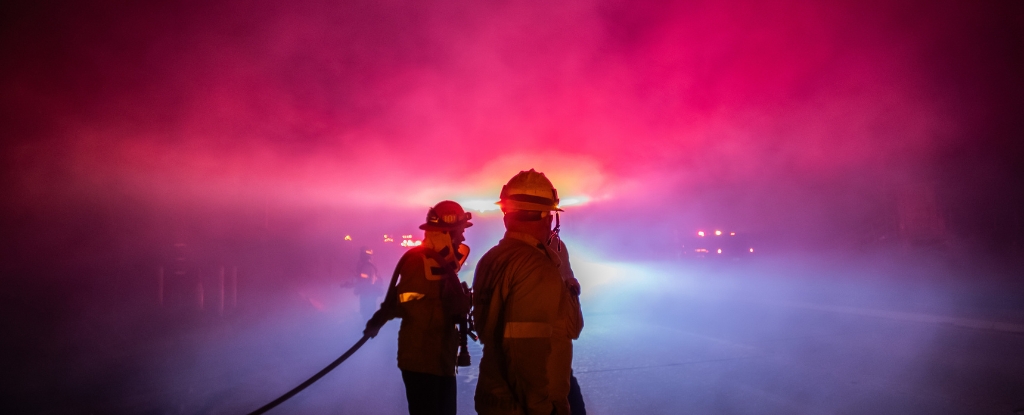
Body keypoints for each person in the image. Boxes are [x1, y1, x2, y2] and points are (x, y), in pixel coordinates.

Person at [473, 169, 584, 415]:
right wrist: (542, 409)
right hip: (524, 406)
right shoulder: (536, 266)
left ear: (505, 215)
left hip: (495, 397)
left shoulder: (490, 259)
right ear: (547, 216)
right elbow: (525, 350)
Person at [364, 200, 473, 415]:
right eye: (460, 231)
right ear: (446, 231)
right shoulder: (418, 261)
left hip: (441, 360)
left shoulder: (441, 263)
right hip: (422, 363)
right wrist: (450, 308)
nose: (463, 237)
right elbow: (407, 304)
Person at [352, 246, 381, 321]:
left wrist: (357, 288)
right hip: (370, 293)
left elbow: (364, 280)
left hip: (367, 293)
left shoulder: (366, 266)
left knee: (366, 313)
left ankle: (368, 328)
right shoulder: (370, 265)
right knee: (368, 312)